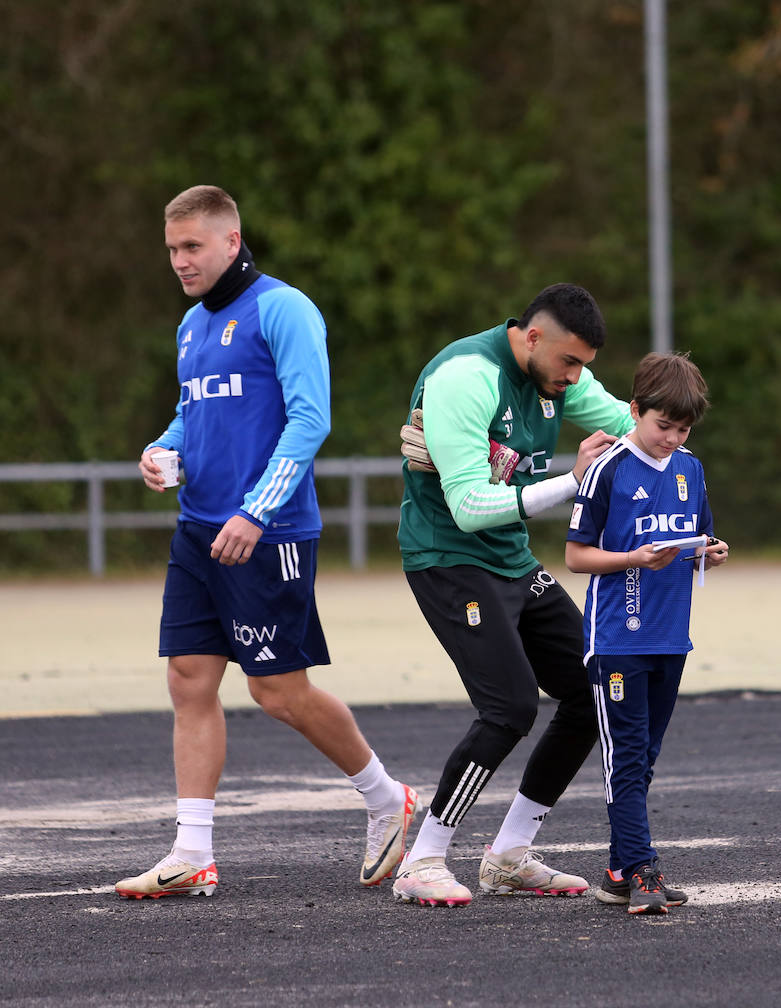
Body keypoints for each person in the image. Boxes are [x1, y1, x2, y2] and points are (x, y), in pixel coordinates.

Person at [117, 185, 416, 899]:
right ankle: (192, 851)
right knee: (189, 679)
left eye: (192, 247)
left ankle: (387, 799)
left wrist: (256, 512)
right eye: (171, 250)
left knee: (278, 691)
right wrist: (163, 451)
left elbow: (310, 420)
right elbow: (194, 415)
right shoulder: (191, 326)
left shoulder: (284, 308)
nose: (180, 262)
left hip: (267, 530)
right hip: (198, 529)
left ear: (231, 239)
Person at [390, 283, 635, 907]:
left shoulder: (558, 376)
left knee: (590, 686)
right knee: (510, 710)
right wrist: (571, 482)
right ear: (531, 337)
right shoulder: (467, 377)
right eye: (569, 362)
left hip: (510, 560)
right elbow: (470, 508)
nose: (576, 378)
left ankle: (509, 855)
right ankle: (423, 860)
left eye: (584, 365)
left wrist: (673, 432)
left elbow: (633, 429)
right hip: (449, 559)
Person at [564, 352, 729, 915]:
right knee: (627, 758)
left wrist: (711, 554)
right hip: (616, 640)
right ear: (635, 411)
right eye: (663, 426)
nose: (672, 438)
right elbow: (576, 556)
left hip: (670, 638)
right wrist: (636, 557)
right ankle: (643, 871)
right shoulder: (609, 467)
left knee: (644, 759)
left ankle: (618, 870)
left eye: (682, 429)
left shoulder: (692, 469)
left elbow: (697, 541)